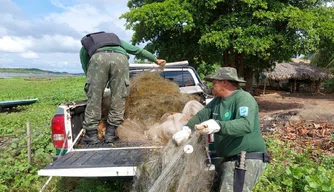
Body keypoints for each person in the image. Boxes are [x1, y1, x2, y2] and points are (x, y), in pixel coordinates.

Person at [172, 67, 269, 192]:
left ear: (225, 82)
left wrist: (218, 126)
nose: (212, 86)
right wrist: (187, 129)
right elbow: (202, 115)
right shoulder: (218, 101)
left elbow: (246, 125)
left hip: (245, 159)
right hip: (229, 159)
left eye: (214, 82)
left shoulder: (243, 98)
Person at [80, 31, 166, 144]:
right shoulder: (115, 41)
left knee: (94, 98)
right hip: (121, 59)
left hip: (98, 58)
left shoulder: (87, 44)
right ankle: (111, 134)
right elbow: (137, 50)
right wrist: (155, 59)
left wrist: (94, 84)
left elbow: (85, 65)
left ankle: (92, 135)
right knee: (119, 96)